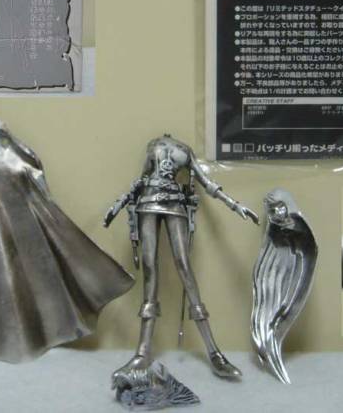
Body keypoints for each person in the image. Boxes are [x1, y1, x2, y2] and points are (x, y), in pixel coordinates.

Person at [104, 134, 259, 379]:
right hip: (147, 203)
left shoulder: (184, 151)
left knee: (184, 266)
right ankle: (142, 353)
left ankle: (214, 352)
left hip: (175, 204)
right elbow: (142, 179)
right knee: (149, 269)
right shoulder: (153, 145)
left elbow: (206, 182)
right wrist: (119, 203)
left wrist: (234, 204)